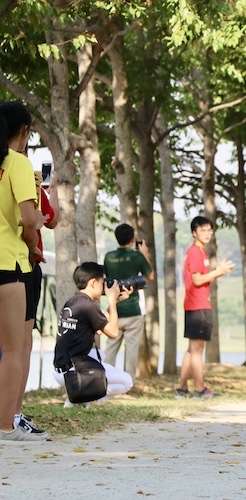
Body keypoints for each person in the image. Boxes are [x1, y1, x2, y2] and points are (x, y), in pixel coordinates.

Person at [0, 102, 57, 440]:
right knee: (14, 348)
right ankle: (6, 424)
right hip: (10, 264)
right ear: (23, 131)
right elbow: (26, 217)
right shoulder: (18, 163)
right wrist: (34, 230)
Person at [52, 263, 134, 406]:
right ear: (93, 282)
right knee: (127, 382)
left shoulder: (73, 301)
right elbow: (113, 333)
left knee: (100, 356)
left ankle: (81, 396)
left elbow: (99, 328)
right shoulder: (89, 305)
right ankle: (80, 397)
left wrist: (115, 301)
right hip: (74, 371)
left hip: (61, 367)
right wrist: (112, 301)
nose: (104, 287)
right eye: (102, 282)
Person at [176, 216, 235, 400]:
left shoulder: (201, 251)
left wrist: (215, 272)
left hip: (196, 304)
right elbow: (197, 279)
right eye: (203, 230)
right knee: (197, 350)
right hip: (197, 305)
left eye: (210, 230)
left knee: (191, 349)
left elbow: (201, 278)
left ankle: (182, 388)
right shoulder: (195, 252)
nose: (207, 233)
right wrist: (219, 272)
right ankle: (200, 390)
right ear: (194, 233)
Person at [103, 223, 155, 383]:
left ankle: (105, 380)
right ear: (133, 240)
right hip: (133, 310)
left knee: (111, 347)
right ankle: (128, 382)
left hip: (114, 309)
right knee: (132, 349)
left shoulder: (108, 256)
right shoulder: (137, 256)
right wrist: (144, 253)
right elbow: (150, 276)